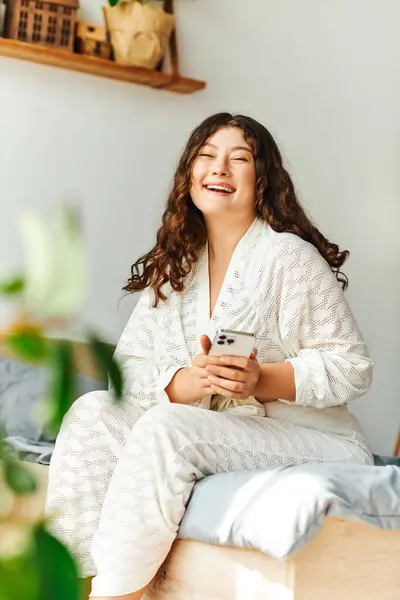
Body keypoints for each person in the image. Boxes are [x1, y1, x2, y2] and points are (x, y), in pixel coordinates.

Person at [45, 113, 374, 600]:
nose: (220, 168)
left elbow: (352, 367)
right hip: (220, 433)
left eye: (238, 159)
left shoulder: (289, 258)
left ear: (262, 181)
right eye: (207, 156)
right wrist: (184, 383)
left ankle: (116, 597)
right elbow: (128, 370)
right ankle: (64, 586)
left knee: (166, 429)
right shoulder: (176, 267)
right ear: (189, 174)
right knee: (93, 413)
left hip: (313, 438)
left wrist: (259, 379)